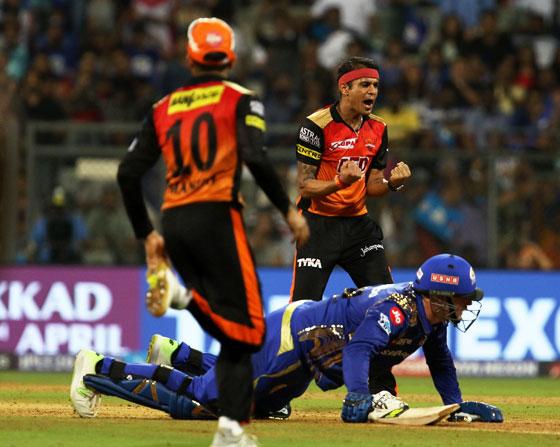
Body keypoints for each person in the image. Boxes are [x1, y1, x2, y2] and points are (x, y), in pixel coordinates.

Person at [116, 17, 309, 447]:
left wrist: (147, 233)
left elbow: (128, 173)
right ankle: (229, 427)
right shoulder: (241, 99)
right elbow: (255, 157)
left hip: (174, 220)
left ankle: (230, 430)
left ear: (188, 57)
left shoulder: (162, 108)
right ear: (232, 58)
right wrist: (287, 211)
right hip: (218, 217)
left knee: (230, 332)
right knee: (251, 331)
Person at [69, 253, 503, 427]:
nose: (465, 308)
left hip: (306, 341)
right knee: (211, 400)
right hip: (293, 338)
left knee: (265, 403)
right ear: (440, 296)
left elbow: (441, 364)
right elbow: (359, 350)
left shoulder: (430, 316)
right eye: (461, 300)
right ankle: (96, 367)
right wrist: (358, 396)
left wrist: (457, 405)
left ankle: (177, 354)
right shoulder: (398, 310)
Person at [292, 55, 411, 400]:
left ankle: (380, 390)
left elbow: (372, 184)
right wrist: (339, 183)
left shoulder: (379, 128)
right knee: (300, 313)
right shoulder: (314, 127)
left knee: (390, 304)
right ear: (345, 89)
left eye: (375, 85)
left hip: (359, 227)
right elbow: (304, 186)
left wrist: (391, 183)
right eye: (364, 85)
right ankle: (281, 393)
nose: (372, 90)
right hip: (318, 227)